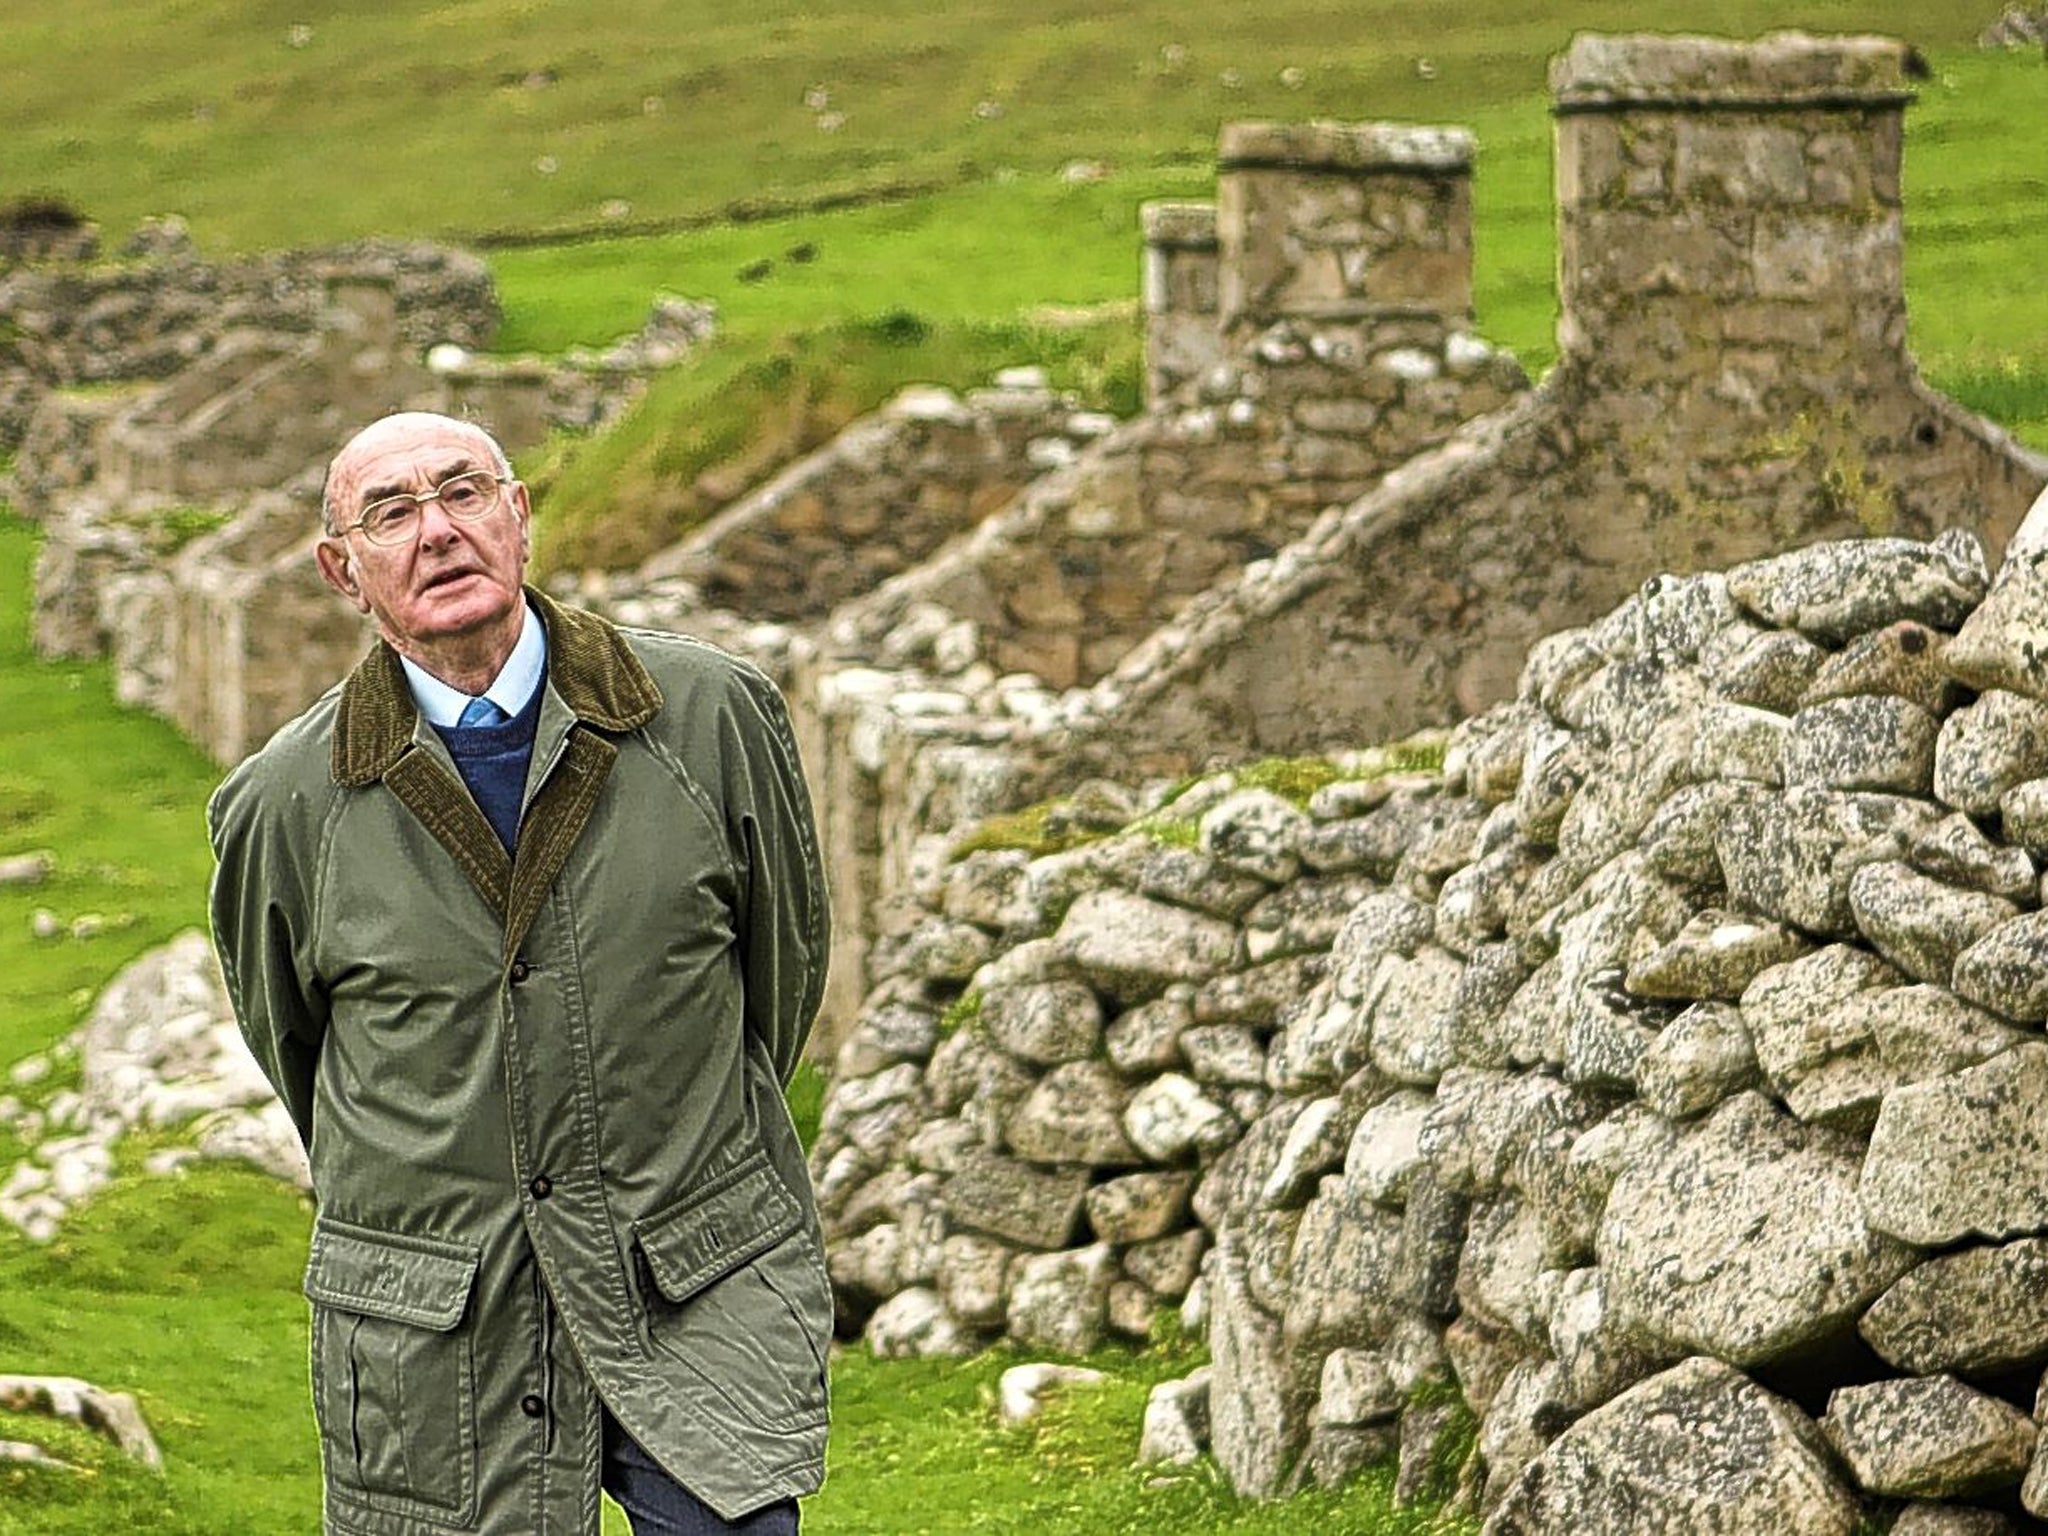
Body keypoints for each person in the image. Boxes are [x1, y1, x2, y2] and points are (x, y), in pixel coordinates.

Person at [207, 411, 832, 1536]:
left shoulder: (710, 716)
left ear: (518, 515)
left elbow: (777, 978)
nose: (436, 532)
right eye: (391, 514)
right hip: (444, 1326)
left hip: (689, 1275)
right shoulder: (281, 804)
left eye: (461, 493)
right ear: (342, 571)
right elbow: (300, 1055)